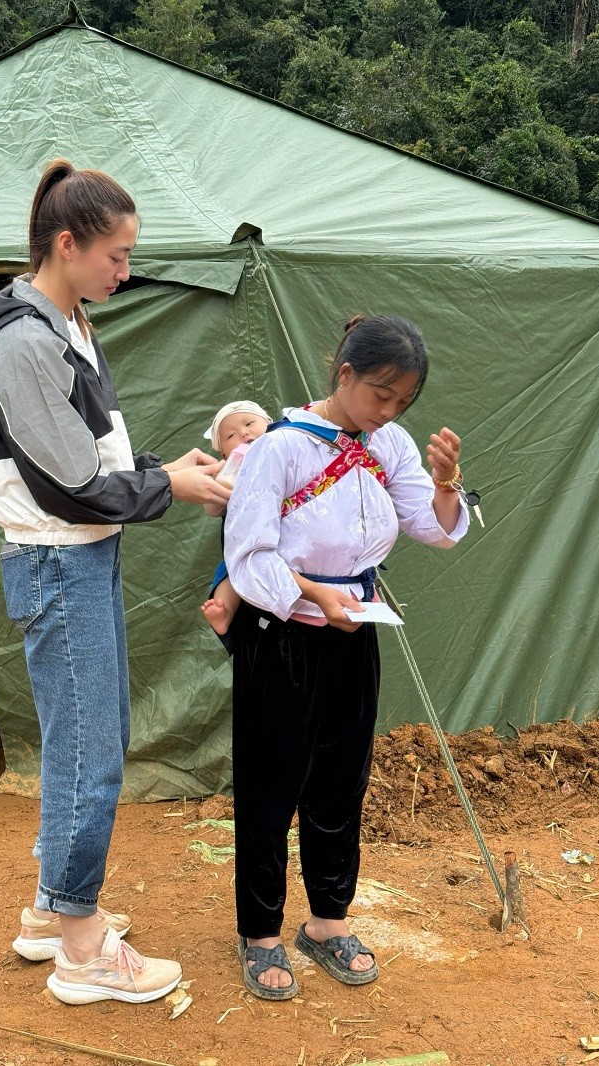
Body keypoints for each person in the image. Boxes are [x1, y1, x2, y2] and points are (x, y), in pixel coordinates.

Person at [0, 159, 231, 1006]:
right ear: (68, 244)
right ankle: (82, 949)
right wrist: (172, 486)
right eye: (116, 256)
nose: (125, 270)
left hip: (82, 555)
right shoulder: (25, 340)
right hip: (57, 556)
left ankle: (52, 911)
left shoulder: (66, 321)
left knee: (94, 735)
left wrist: (162, 467)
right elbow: (69, 485)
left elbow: (90, 460)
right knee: (90, 757)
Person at [223, 314, 469, 1000]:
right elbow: (249, 556)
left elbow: (432, 527)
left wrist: (447, 482)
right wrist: (311, 596)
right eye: (379, 394)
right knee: (272, 787)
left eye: (401, 402)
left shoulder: (388, 445)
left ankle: (328, 922)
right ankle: (260, 934)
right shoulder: (280, 449)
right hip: (282, 631)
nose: (387, 412)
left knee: (340, 782)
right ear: (344, 375)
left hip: (353, 628)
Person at [199, 401, 272, 638]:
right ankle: (225, 612)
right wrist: (223, 481)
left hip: (285, 545)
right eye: (231, 436)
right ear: (223, 453)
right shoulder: (229, 473)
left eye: (250, 423)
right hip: (245, 549)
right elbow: (212, 509)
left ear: (271, 426)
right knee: (232, 575)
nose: (243, 433)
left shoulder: (284, 455)